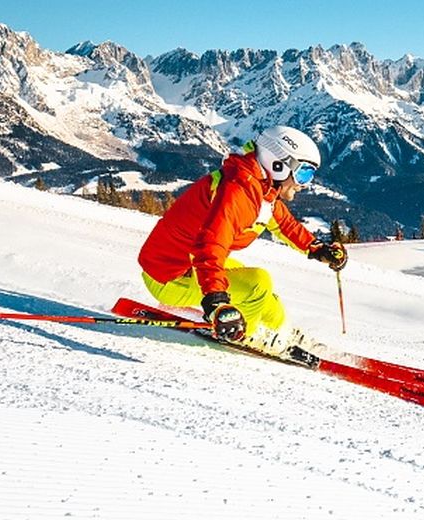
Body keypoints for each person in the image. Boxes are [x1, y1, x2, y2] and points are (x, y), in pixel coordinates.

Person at [136, 125, 348, 353]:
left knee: (265, 296)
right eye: (303, 173)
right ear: (277, 164)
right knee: (257, 283)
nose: (303, 184)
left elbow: (284, 223)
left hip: (189, 263)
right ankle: (245, 334)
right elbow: (210, 246)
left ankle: (281, 332)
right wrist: (216, 300)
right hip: (168, 274)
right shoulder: (238, 193)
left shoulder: (260, 189)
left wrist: (317, 248)